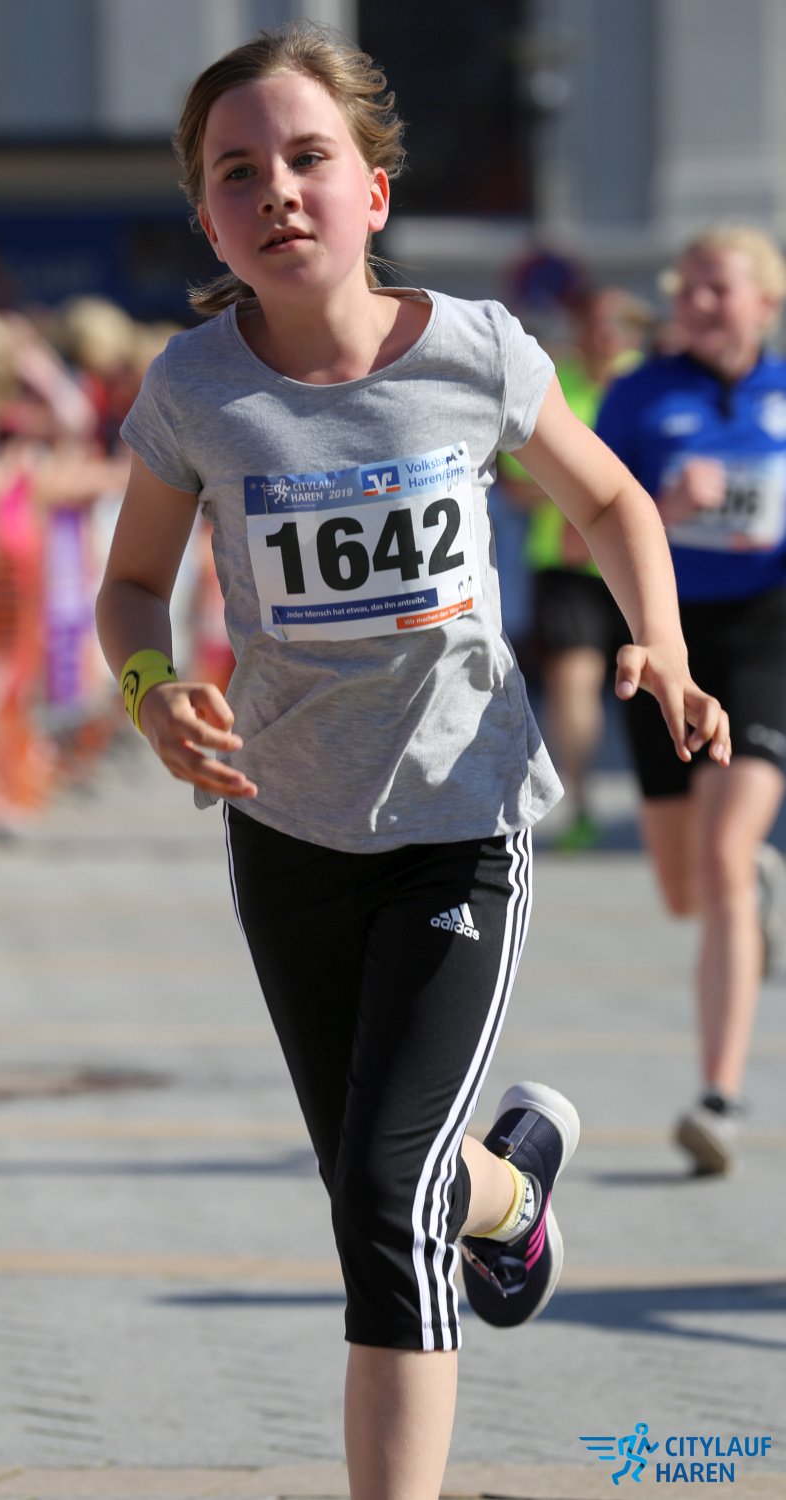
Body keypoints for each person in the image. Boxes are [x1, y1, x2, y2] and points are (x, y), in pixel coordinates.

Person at [95, 23, 729, 1498]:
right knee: (381, 1177)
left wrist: (662, 642)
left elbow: (613, 500)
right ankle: (509, 1197)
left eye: (308, 158)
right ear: (208, 221)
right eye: (237, 172)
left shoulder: (474, 351)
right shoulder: (195, 391)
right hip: (286, 829)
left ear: (373, 190)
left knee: (383, 1200)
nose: (276, 190)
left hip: (459, 822)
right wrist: (149, 691)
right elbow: (128, 586)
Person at [596, 222, 786, 1176]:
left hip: (766, 638)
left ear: (766, 301)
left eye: (720, 287)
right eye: (688, 287)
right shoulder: (640, 393)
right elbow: (580, 523)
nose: (699, 302)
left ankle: (719, 1097)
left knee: (720, 856)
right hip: (662, 642)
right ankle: (748, 885)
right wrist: (665, 509)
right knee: (684, 890)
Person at [499, 286, 651, 849]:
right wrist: (578, 506)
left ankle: (667, 801)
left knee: (650, 684)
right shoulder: (553, 380)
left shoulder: (649, 385)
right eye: (595, 324)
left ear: (635, 334)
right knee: (573, 682)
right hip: (563, 563)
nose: (605, 336)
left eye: (618, 326)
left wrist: (609, 509)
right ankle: (582, 801)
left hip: (641, 562)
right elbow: (516, 485)